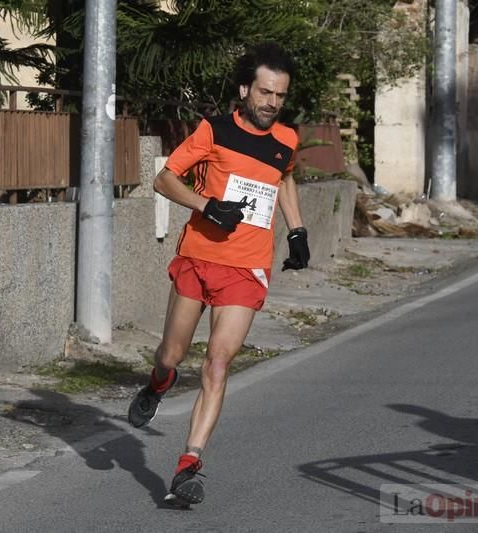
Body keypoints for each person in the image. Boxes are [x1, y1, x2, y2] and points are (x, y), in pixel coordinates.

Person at [127, 42, 309, 507]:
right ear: (245, 88)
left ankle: (189, 463)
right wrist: (207, 205)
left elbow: (284, 177)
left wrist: (298, 232)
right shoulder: (214, 131)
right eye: (265, 92)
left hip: (246, 267)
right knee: (172, 352)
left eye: (280, 96)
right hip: (200, 255)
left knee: (219, 362)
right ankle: (159, 382)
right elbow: (164, 178)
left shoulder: (287, 140)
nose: (272, 103)